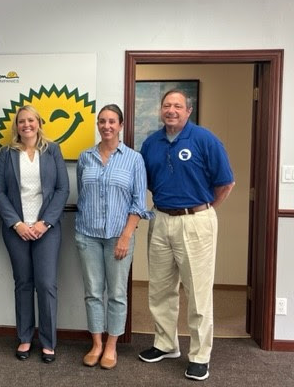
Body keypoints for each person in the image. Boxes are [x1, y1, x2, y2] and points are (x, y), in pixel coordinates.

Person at [138, 89, 234, 382]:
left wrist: (202, 211)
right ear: (160, 111)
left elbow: (226, 183)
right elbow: (149, 183)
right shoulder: (151, 143)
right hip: (162, 218)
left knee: (198, 292)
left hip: (197, 221)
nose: (171, 110)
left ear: (188, 111)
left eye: (178, 106)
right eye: (167, 105)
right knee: (160, 288)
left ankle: (200, 355)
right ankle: (166, 344)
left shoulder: (204, 139)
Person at [75, 104, 149, 370]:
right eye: (102, 121)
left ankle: (111, 346)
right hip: (88, 236)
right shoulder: (85, 157)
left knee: (117, 294)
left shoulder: (134, 159)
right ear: (98, 124)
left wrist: (125, 236)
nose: (107, 126)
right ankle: (96, 343)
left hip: (120, 237)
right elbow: (82, 194)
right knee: (93, 292)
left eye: (112, 121)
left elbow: (139, 203)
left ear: (120, 125)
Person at [0, 105, 69, 363]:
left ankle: (48, 342)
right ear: (16, 126)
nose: (26, 125)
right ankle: (25, 338)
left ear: (39, 123)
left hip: (46, 229)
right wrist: (17, 224)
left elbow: (62, 190)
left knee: (46, 284)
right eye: (21, 121)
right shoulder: (7, 153)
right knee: (23, 283)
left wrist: (44, 223)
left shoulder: (53, 150)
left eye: (31, 120)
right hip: (16, 230)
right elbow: (0, 192)